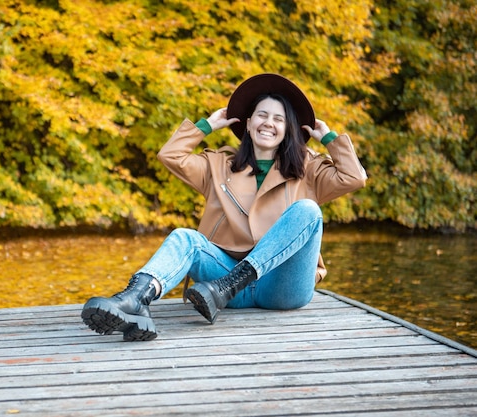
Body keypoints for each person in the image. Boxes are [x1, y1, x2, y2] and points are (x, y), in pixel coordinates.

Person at [81, 73, 367, 341]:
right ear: (248, 122)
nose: (269, 123)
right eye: (262, 115)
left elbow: (354, 178)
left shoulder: (309, 167)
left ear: (287, 128)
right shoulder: (219, 164)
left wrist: (329, 139)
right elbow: (170, 156)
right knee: (185, 237)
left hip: (281, 287)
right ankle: (134, 300)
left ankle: (233, 282)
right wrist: (207, 125)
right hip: (218, 285)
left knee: (308, 210)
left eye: (278, 119)